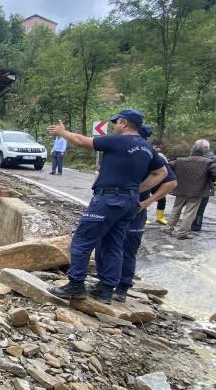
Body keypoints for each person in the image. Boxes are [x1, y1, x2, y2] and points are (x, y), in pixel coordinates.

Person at [46, 109, 168, 303]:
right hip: (129, 203)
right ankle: (105, 289)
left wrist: (63, 133)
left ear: (125, 123)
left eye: (117, 122)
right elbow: (161, 172)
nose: (114, 126)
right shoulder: (146, 148)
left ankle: (76, 283)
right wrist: (137, 189)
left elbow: (83, 141)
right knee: (114, 245)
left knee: (82, 240)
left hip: (109, 199)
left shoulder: (118, 141)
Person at [97, 124, 177, 302]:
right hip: (115, 205)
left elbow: (170, 182)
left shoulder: (148, 155)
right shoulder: (123, 150)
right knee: (107, 244)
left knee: (124, 247)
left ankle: (121, 286)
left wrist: (146, 200)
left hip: (133, 208)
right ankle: (107, 284)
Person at [167, 143, 216, 239]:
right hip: (197, 190)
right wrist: (208, 180)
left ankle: (168, 228)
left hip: (181, 188)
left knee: (176, 208)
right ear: (203, 153)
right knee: (190, 212)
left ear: (191, 152)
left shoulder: (180, 160)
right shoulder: (208, 162)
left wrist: (175, 177)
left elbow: (167, 166)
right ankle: (182, 233)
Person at [191, 139, 216, 232]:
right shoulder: (212, 158)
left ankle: (195, 226)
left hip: (203, 186)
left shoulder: (211, 159)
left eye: (196, 146)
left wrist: (209, 180)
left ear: (204, 148)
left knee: (199, 208)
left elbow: (215, 173)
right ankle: (192, 224)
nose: (194, 147)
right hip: (198, 185)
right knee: (196, 208)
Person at [149, 140, 169, 225]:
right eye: (156, 147)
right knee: (144, 198)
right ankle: (143, 217)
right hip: (147, 179)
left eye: (160, 147)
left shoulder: (162, 156)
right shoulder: (147, 154)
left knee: (162, 198)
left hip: (157, 180)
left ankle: (160, 217)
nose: (158, 149)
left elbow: (167, 167)